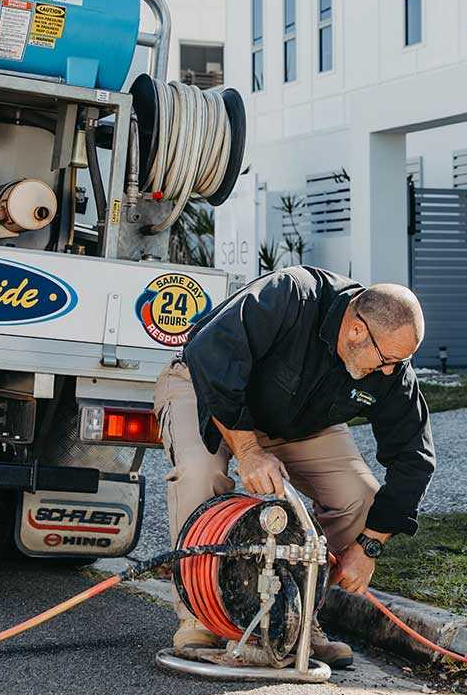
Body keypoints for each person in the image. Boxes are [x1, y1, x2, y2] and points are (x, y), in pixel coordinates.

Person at [154, 265, 435, 668]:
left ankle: (299, 619)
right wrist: (249, 451)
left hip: (298, 422)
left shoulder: (390, 366)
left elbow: (415, 456)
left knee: (358, 496)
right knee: (201, 474)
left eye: (400, 362)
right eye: (388, 359)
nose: (391, 371)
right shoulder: (292, 294)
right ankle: (199, 615)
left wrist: (368, 546)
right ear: (357, 330)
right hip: (205, 391)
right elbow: (211, 356)